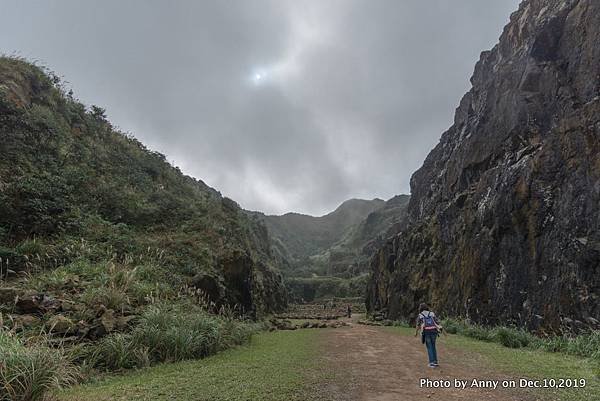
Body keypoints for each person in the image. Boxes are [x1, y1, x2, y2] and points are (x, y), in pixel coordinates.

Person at [415, 303, 442, 368]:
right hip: (434, 332)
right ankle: (435, 362)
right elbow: (437, 322)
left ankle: (431, 363)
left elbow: (418, 325)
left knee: (429, 347)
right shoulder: (432, 313)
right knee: (433, 346)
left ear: (420, 308)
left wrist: (416, 333)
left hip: (426, 332)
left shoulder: (420, 315)